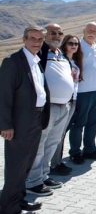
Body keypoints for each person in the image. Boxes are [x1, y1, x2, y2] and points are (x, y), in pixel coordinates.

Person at [0, 26, 50, 213]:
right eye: (33, 38)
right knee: (15, 167)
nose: (37, 42)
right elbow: (3, 96)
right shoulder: (12, 62)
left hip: (36, 120)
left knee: (26, 165)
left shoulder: (37, 61)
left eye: (40, 39)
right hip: (19, 123)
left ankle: (18, 201)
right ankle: (8, 207)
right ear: (24, 39)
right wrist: (5, 124)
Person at [25, 24, 74, 196]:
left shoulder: (61, 54)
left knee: (53, 143)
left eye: (60, 33)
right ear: (45, 35)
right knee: (40, 144)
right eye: (52, 32)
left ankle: (43, 176)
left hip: (64, 106)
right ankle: (32, 182)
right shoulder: (41, 52)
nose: (57, 35)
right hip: (47, 107)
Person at [69, 22, 96, 164]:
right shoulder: (77, 45)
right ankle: (75, 152)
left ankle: (89, 149)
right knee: (79, 123)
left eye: (95, 30)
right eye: (89, 29)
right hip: (83, 91)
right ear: (83, 31)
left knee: (93, 122)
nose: (92, 32)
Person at [50, 34, 83, 175]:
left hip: (73, 99)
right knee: (56, 134)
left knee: (62, 133)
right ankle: (53, 164)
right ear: (65, 44)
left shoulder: (74, 61)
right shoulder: (61, 60)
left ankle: (57, 161)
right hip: (63, 101)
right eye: (70, 43)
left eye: (76, 43)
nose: (74, 46)